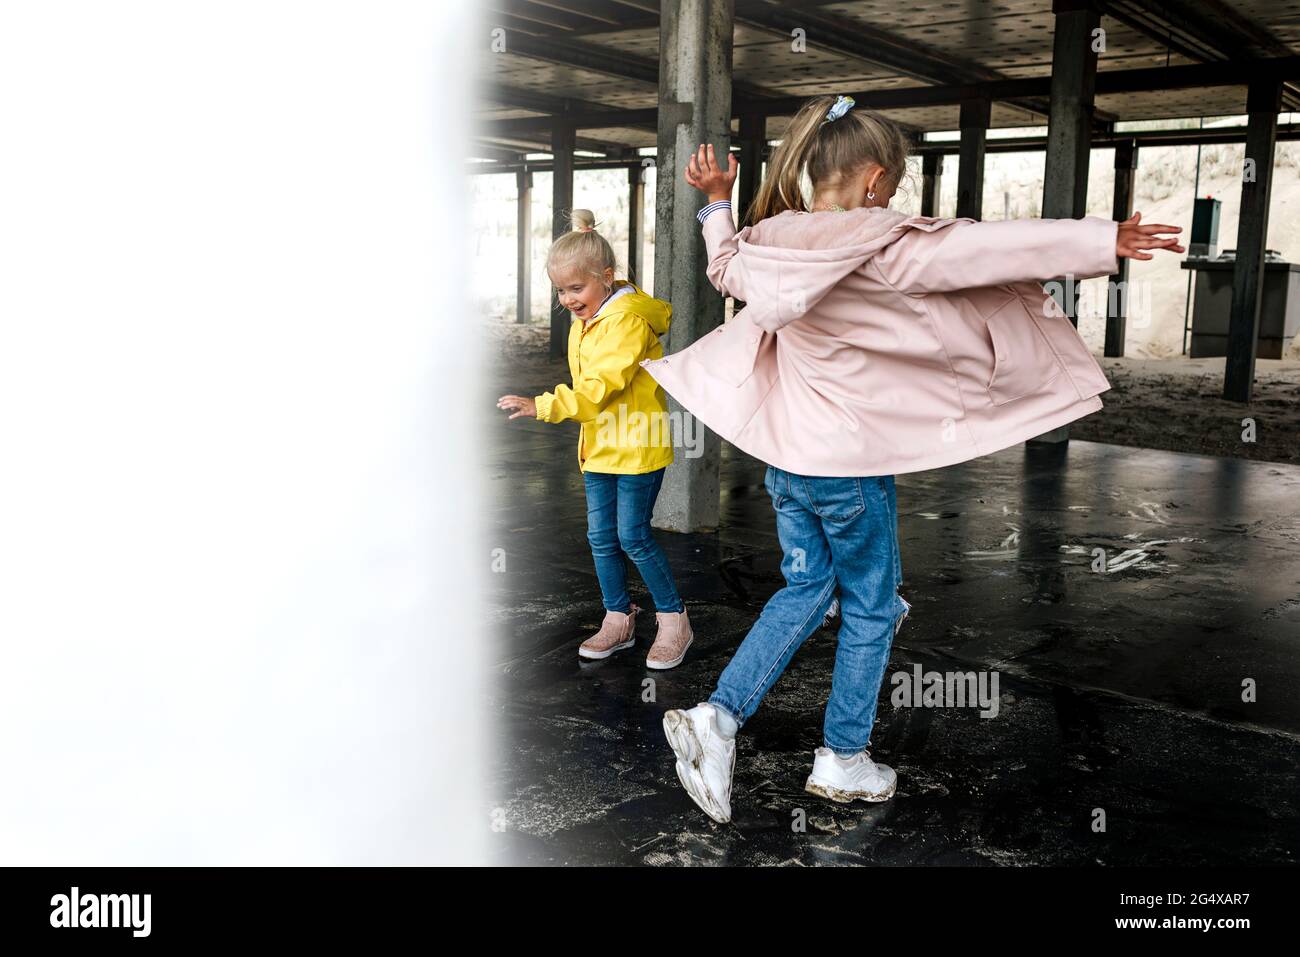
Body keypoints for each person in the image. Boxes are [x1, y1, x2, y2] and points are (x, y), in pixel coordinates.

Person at [645, 95, 1184, 823]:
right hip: (850, 467)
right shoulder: (884, 240)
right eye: (893, 185)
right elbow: (990, 247)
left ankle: (717, 718)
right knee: (871, 604)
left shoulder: (769, 240)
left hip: (787, 461)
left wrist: (718, 203)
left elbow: (724, 265)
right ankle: (842, 757)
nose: (895, 197)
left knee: (806, 588)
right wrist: (1100, 241)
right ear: (871, 180)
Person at [498, 210, 693, 669]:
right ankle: (618, 618)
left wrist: (542, 404)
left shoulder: (625, 323)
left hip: (637, 448)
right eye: (560, 290)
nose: (566, 299)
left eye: (576, 289)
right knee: (601, 537)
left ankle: (674, 621)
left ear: (606, 278)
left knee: (634, 537)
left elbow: (598, 388)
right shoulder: (586, 320)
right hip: (599, 449)